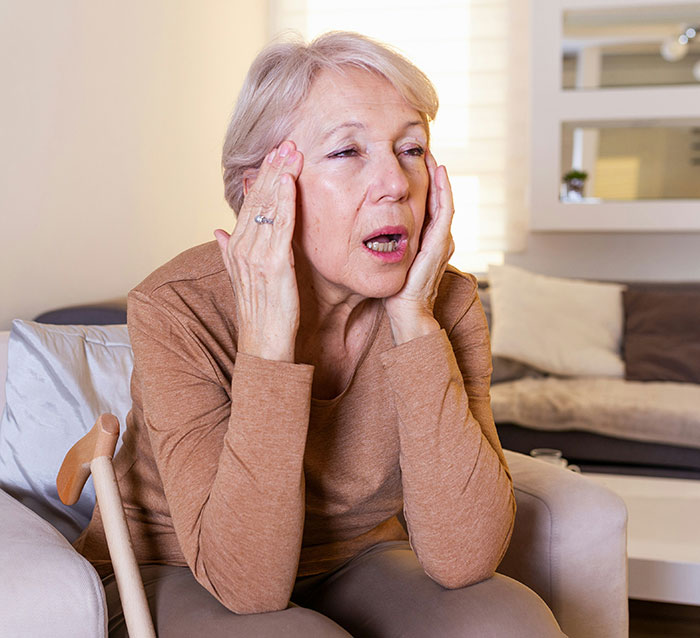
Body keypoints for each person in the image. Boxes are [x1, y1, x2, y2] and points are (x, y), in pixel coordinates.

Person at [75, 31, 565, 637]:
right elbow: (247, 586)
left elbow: (464, 559)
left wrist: (415, 318)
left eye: (411, 149)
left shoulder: (448, 301)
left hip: (353, 558)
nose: (395, 184)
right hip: (177, 566)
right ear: (263, 188)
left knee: (511, 622)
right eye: (347, 152)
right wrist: (267, 342)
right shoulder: (176, 307)